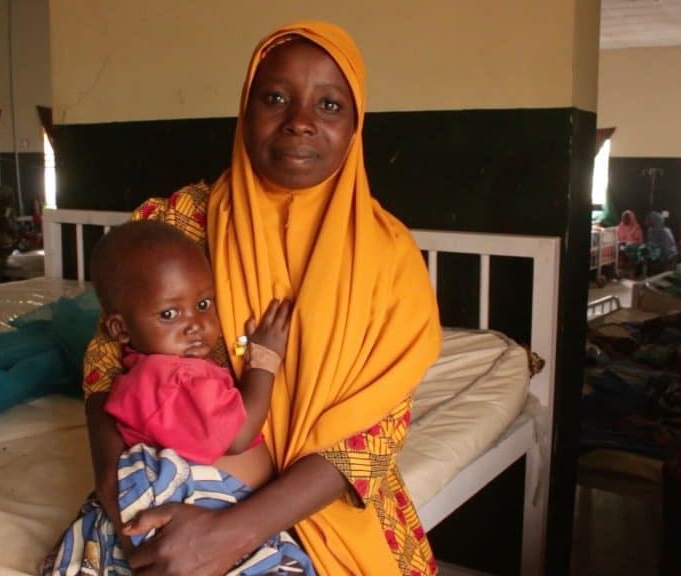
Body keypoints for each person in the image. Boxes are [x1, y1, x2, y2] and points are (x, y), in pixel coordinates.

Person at [80, 21, 442, 576]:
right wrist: (114, 486)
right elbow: (106, 369)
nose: (300, 121)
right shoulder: (174, 227)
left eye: (329, 105)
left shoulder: (390, 260)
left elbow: (371, 436)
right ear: (246, 109)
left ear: (355, 126)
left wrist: (229, 534)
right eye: (275, 98)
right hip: (169, 492)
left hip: (317, 501)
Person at [42, 220, 312, 575]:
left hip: (226, 508)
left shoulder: (155, 372)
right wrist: (265, 360)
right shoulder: (170, 380)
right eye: (169, 314)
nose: (195, 324)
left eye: (203, 303)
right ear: (120, 329)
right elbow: (239, 433)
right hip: (204, 505)